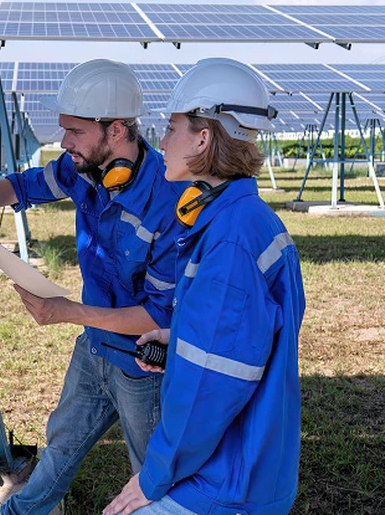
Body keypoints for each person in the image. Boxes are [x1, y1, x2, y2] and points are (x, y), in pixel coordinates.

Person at [0, 59, 188, 515]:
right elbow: (17, 188)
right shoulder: (80, 169)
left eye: (76, 131)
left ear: (119, 130)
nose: (64, 142)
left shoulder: (168, 203)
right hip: (96, 346)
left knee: (153, 477)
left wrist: (67, 312)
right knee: (63, 440)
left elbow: (160, 315)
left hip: (144, 367)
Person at [104, 58, 306, 515]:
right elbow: (255, 334)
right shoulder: (249, 221)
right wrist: (181, 340)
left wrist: (152, 477)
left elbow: (208, 388)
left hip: (225, 484)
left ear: (203, 136)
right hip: (253, 467)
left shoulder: (230, 239)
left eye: (172, 128)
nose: (160, 142)